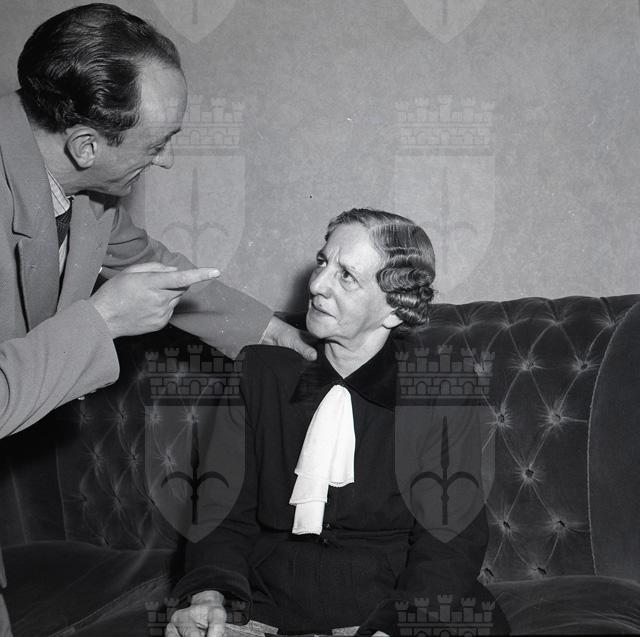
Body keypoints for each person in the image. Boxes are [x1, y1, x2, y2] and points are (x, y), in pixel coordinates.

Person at [0, 4, 315, 634]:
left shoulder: (83, 194)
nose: (166, 160)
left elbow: (146, 260)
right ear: (85, 145)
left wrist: (270, 330)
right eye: (157, 143)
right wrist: (102, 321)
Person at [167, 209, 510, 636]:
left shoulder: (440, 390)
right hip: (269, 600)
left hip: (395, 601)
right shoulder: (258, 374)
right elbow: (222, 514)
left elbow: (449, 539)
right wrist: (210, 595)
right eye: (322, 262)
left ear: (394, 310)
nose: (316, 285)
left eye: (346, 276)